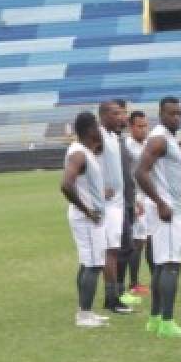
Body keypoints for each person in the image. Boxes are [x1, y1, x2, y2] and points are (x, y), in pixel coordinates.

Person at [135, 96, 181, 338]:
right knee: (170, 266)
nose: (176, 118)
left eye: (179, 113)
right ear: (161, 114)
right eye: (171, 113)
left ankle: (155, 319)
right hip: (166, 211)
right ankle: (167, 322)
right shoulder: (159, 139)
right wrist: (160, 203)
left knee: (161, 265)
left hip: (166, 209)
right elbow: (140, 172)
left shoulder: (166, 138)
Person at [60, 111, 109, 328]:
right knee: (92, 265)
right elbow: (65, 185)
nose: (100, 130)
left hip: (89, 217)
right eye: (97, 126)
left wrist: (100, 193)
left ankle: (85, 310)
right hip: (86, 219)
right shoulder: (79, 153)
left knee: (89, 264)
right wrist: (87, 210)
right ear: (90, 130)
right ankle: (84, 315)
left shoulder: (85, 153)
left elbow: (81, 184)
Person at [97, 100, 137, 314]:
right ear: (103, 116)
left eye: (122, 113)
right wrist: (97, 189)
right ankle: (112, 299)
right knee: (112, 252)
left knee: (122, 249)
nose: (121, 117)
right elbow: (83, 161)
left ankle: (116, 295)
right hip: (108, 206)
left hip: (121, 203)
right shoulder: (99, 136)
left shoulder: (114, 137)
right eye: (116, 113)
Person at [123, 110, 152, 295]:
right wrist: (133, 201)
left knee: (150, 239)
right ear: (131, 127)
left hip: (150, 197)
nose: (143, 130)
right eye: (139, 126)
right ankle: (133, 284)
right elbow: (126, 176)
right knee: (138, 241)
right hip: (137, 199)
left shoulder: (149, 145)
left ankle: (155, 276)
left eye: (145, 126)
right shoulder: (127, 147)